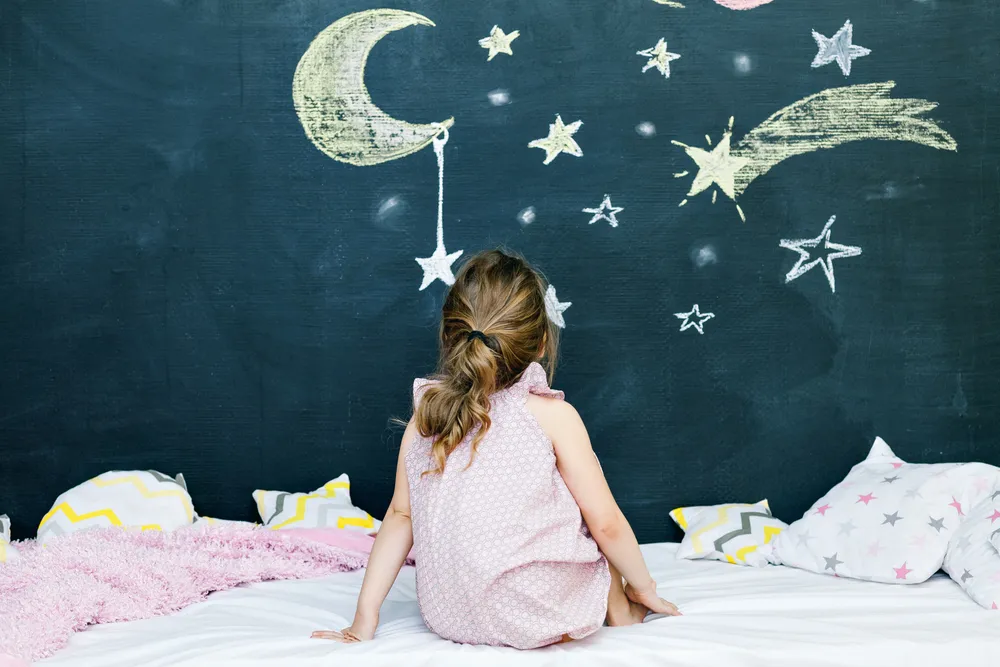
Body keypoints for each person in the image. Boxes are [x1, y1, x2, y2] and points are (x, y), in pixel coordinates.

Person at [312, 249, 680, 649]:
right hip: (536, 615)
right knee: (591, 515)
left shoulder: (427, 417)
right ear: (541, 343)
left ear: (449, 338)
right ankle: (623, 609)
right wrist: (644, 587)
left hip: (450, 616)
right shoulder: (551, 416)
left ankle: (609, 604)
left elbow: (401, 516)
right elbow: (607, 524)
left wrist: (365, 616)